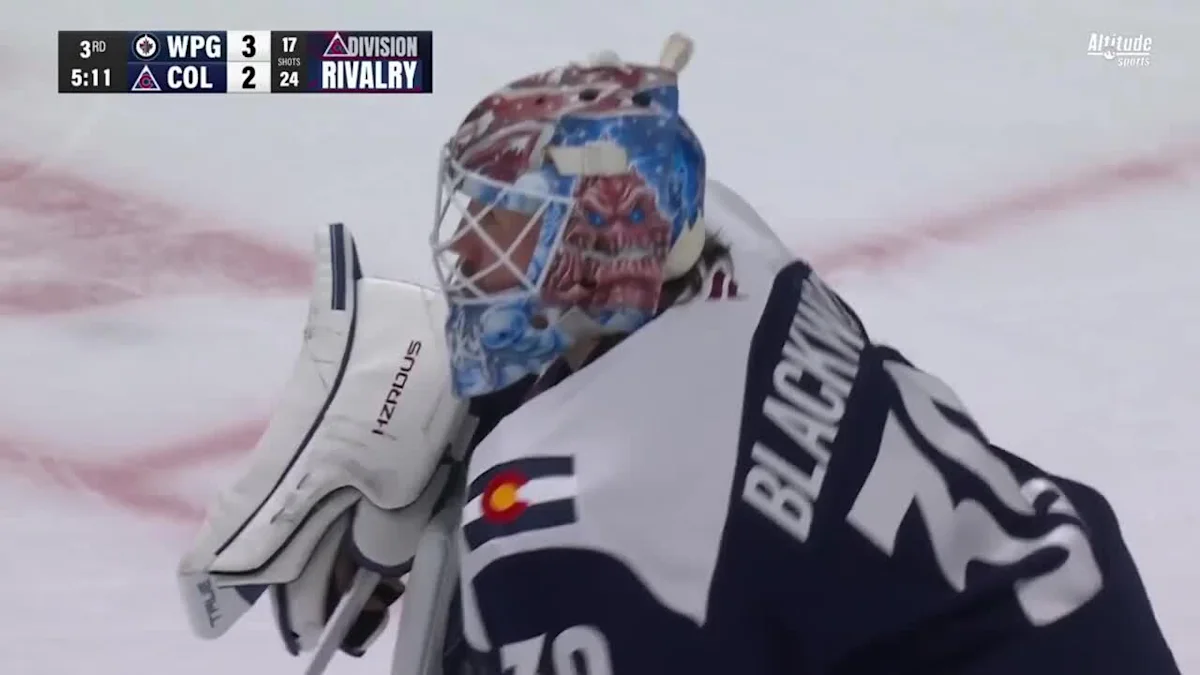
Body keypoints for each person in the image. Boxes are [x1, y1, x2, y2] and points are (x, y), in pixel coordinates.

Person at [178, 35, 1180, 675]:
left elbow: (597, 530)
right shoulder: (726, 247)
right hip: (1057, 604)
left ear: (599, 258)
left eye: (510, 241)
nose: (471, 266)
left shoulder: (584, 535)